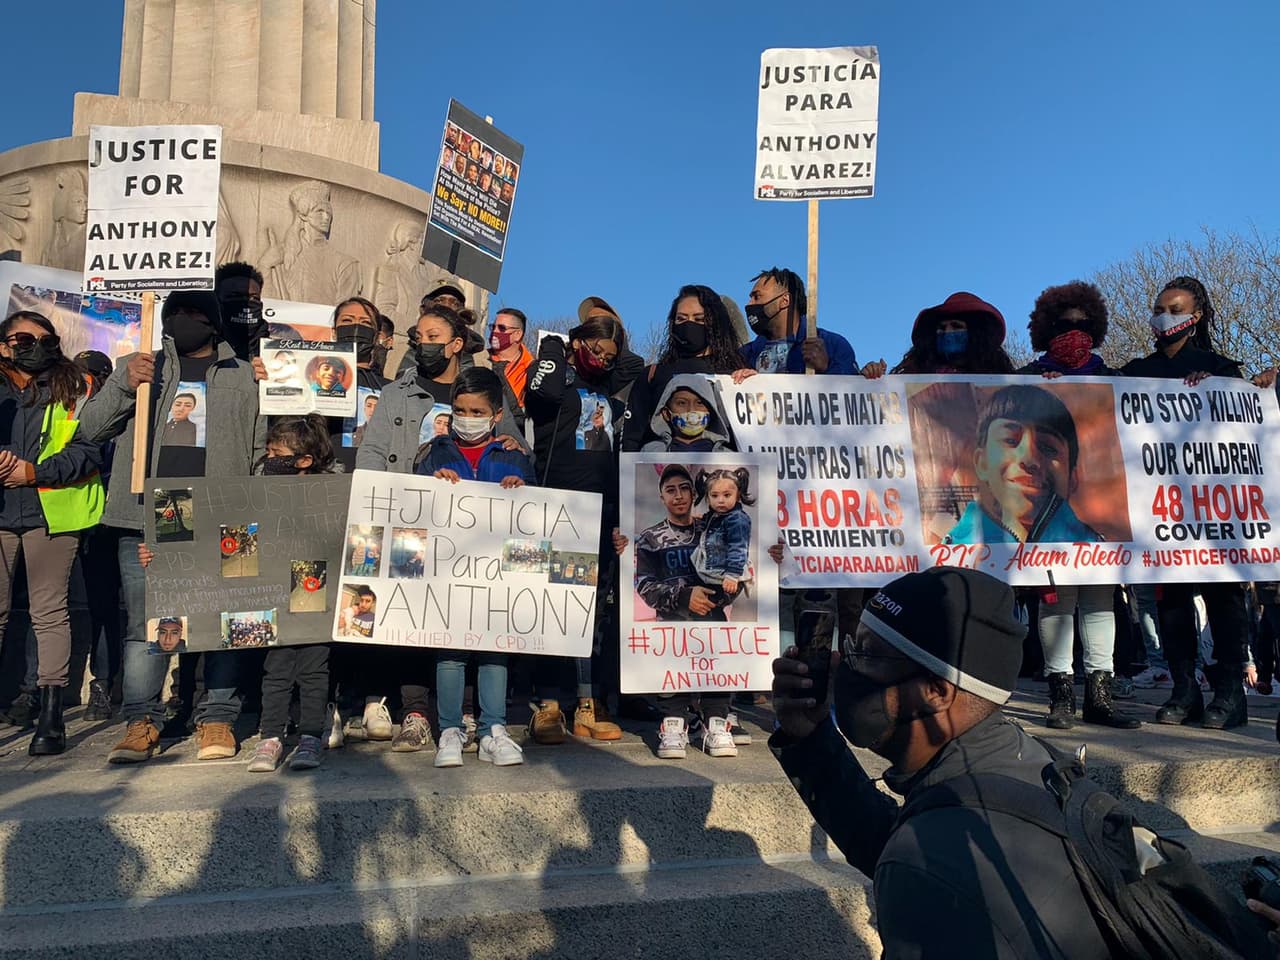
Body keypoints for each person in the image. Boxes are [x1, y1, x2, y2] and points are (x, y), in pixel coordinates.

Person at [770, 566, 1112, 959]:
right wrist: (810, 741)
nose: (843, 667)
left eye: (865, 655)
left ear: (935, 691)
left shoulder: (932, 868)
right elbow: (900, 838)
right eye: (849, 649)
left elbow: (925, 861)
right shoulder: (1028, 764)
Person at [81, 290, 265, 764]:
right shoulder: (141, 367)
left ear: (216, 321)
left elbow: (261, 446)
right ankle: (141, 721)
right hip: (149, 511)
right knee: (148, 621)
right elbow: (90, 430)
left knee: (228, 619)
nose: (185, 321)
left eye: (196, 314)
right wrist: (124, 383)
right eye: (176, 314)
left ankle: (218, 718)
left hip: (223, 510)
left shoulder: (244, 375)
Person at [1121, 276, 1254, 730]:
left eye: (1175, 309)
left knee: (1224, 598)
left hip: (1213, 509)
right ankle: (1184, 689)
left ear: (1195, 317)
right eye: (1160, 309)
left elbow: (1246, 427)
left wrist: (1254, 388)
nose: (1165, 318)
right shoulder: (1134, 372)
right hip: (1161, 508)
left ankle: (1231, 693)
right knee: (1171, 600)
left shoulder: (1221, 368)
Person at [1019, 282, 1139, 730]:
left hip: (1103, 503)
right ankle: (1060, 695)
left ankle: (1100, 695)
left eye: (1082, 324)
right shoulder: (1028, 376)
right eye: (1064, 324)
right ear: (1045, 329)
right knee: (1056, 600)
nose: (1074, 331)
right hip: (1049, 517)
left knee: (1099, 600)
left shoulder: (1117, 378)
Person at [403, 367, 533, 766]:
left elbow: (534, 515)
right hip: (448, 574)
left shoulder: (514, 455)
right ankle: (450, 731)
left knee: (495, 651)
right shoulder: (434, 452)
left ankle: (493, 729)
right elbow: (413, 509)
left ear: (496, 415)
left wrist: (521, 489)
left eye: (477, 411)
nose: (467, 417)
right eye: (460, 409)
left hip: (498, 576)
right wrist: (431, 486)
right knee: (451, 652)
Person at [0, 310, 105, 756]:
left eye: (45, 338)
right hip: (1, 513)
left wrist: (34, 472)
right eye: (24, 338)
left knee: (49, 611)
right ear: (4, 344)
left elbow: (89, 448)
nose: (35, 345)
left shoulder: (74, 386)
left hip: (50, 512)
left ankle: (51, 713)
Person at [525, 311, 628, 743]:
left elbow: (634, 365)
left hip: (601, 513)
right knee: (550, 605)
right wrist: (557, 347)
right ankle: (547, 704)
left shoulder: (612, 387)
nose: (601, 360)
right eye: (595, 349)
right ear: (577, 343)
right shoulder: (558, 379)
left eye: (609, 355)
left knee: (591, 610)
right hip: (555, 505)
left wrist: (609, 342)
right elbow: (541, 389)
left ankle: (586, 702)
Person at [246, 415, 338, 773]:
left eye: (276, 452)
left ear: (304, 461)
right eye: (268, 451)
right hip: (273, 586)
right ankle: (271, 736)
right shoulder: (258, 490)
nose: (269, 459)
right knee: (277, 667)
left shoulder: (332, 492)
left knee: (315, 666)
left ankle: (311, 736)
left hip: (315, 584)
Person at [943, 385, 1102, 545]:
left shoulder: (1104, 553)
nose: (1029, 459)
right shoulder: (951, 554)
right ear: (981, 462)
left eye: (1048, 447)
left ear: (1072, 478)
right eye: (1010, 440)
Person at [623, 284, 744, 452]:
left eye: (699, 319)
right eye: (681, 319)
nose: (689, 324)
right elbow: (631, 439)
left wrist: (754, 382)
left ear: (715, 323)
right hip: (661, 475)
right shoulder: (653, 374)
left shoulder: (735, 375)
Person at [735, 267, 857, 378]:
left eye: (757, 297)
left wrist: (826, 368)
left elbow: (853, 393)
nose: (749, 304)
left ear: (784, 301)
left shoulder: (833, 346)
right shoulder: (745, 355)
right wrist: (746, 382)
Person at [861, 291, 1015, 377]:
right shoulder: (915, 374)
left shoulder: (1001, 379)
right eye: (941, 328)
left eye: (956, 326)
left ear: (976, 334)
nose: (947, 332)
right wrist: (871, 379)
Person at [329, 297, 390, 470]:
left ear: (377, 336)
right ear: (334, 332)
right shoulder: (313, 378)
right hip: (319, 480)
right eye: (347, 321)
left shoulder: (391, 390)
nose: (356, 327)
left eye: (365, 323)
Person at [691, 468, 754, 607]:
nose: (720, 501)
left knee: (705, 608)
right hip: (713, 574)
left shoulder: (737, 519)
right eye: (714, 496)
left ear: (737, 496)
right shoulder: (715, 515)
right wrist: (699, 521)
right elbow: (710, 529)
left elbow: (738, 548)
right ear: (708, 496)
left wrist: (732, 575)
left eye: (727, 495)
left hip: (725, 577)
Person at [641, 377, 735, 453]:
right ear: (666, 414)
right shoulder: (651, 452)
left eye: (700, 403)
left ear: (711, 411)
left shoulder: (728, 457)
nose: (691, 410)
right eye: (682, 403)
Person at [488, 307, 534, 432]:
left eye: (502, 328)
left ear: (517, 334)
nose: (494, 332)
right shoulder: (479, 359)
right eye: (492, 327)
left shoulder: (532, 369)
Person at [214, 261, 267, 362]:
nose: (246, 302)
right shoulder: (206, 349)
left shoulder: (275, 346)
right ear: (217, 300)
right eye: (235, 296)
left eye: (253, 298)